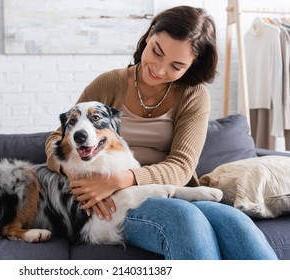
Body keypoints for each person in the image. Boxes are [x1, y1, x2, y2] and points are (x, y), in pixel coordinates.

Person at [45, 5, 278, 260]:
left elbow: (181, 166)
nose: (158, 69)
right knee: (185, 220)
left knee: (237, 224)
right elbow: (58, 138)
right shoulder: (109, 83)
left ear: (192, 66)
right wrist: (77, 174)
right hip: (122, 200)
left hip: (174, 190)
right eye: (156, 51)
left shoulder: (194, 96)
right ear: (149, 35)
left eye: (176, 66)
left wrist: (121, 178)